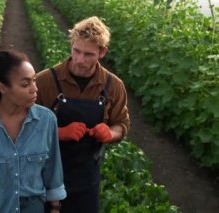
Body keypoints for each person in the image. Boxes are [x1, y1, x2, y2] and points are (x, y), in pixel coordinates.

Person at [35, 16, 130, 213]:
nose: (79, 60)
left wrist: (109, 133)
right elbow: (21, 124)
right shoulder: (44, 81)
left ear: (102, 52)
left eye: (88, 54)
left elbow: (121, 123)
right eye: (76, 51)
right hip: (44, 175)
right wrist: (59, 133)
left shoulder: (113, 86)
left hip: (87, 177)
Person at [0, 50, 66, 212]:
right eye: (25, 84)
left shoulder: (46, 120)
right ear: (2, 87)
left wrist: (55, 208)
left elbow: (53, 172)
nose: (34, 89)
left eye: (34, 80)